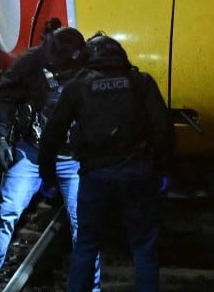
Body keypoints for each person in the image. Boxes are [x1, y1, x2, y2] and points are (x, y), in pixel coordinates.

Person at [0, 23, 92, 292]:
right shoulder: (31, 62)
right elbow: (2, 97)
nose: (56, 71)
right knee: (7, 210)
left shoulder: (92, 69)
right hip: (32, 152)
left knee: (84, 221)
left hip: (73, 157)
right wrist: (0, 136)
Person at [40, 34, 174, 292]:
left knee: (87, 245)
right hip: (138, 172)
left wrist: (48, 178)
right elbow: (163, 130)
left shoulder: (78, 86)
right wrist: (163, 169)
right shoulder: (140, 82)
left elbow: (51, 136)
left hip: (95, 177)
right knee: (144, 247)